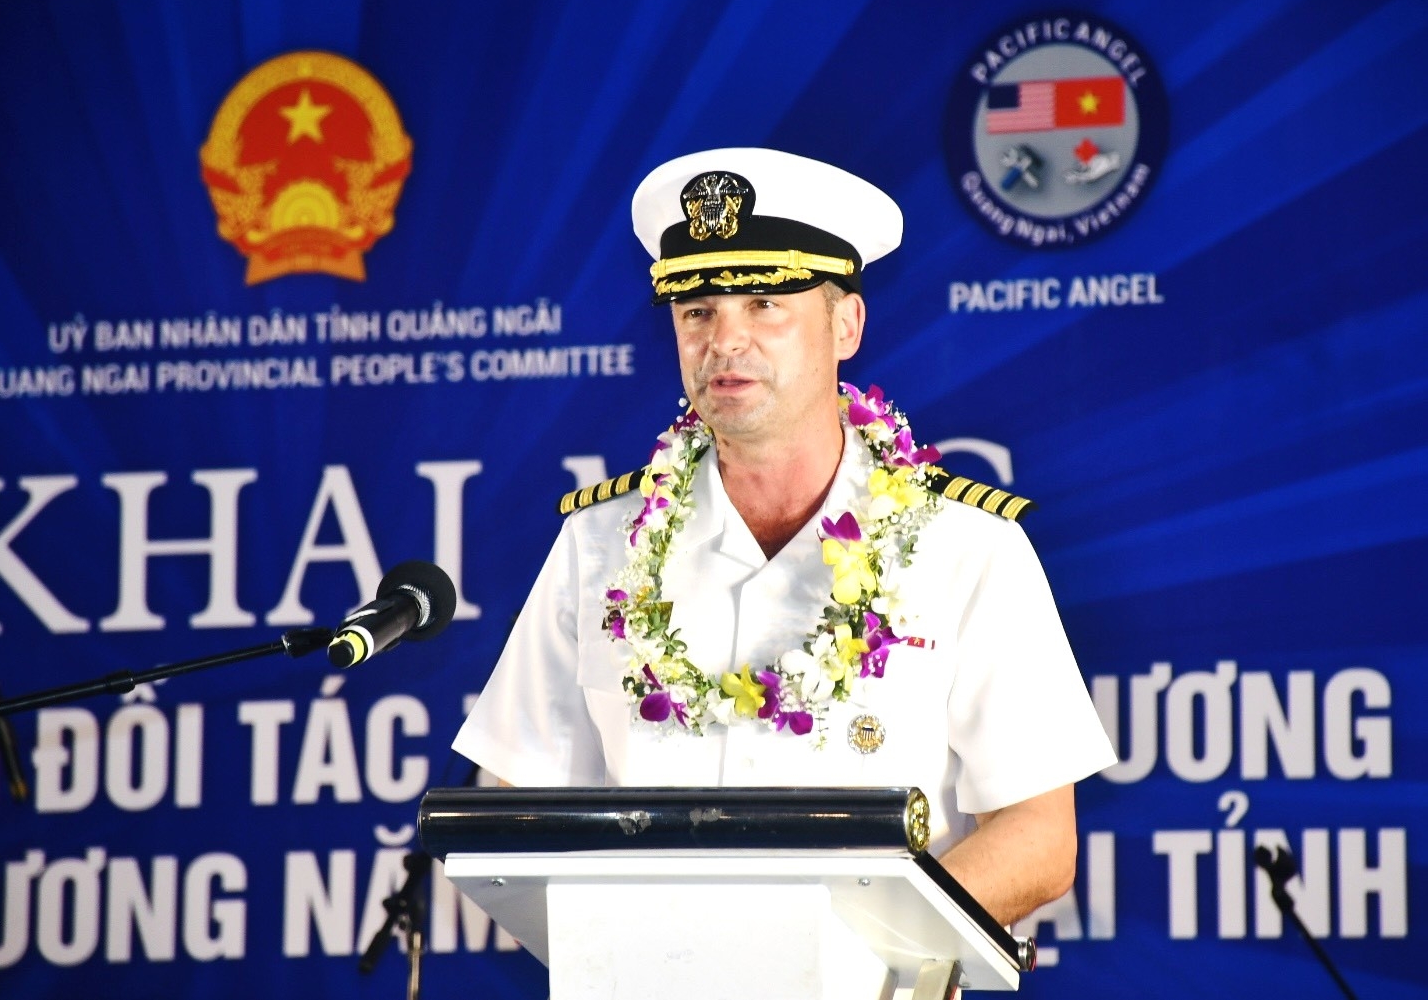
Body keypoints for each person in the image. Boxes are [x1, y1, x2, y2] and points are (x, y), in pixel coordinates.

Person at [453, 147, 1116, 926]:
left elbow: (1038, 838)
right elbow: (516, 806)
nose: (724, 341)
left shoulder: (966, 546)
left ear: (846, 324)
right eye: (697, 311)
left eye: (764, 303)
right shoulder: (600, 542)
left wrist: (844, 958)